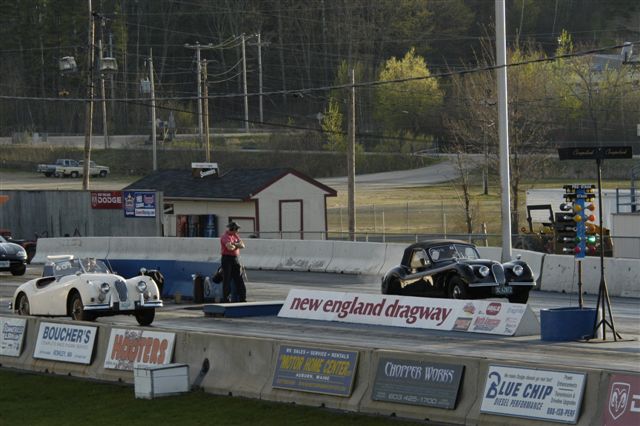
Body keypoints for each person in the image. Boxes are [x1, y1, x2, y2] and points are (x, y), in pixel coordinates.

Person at [220, 221, 246, 302]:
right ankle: (226, 299)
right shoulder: (225, 237)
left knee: (239, 279)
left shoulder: (235, 236)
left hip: (235, 258)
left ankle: (242, 298)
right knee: (227, 279)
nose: (238, 231)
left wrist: (234, 244)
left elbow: (243, 245)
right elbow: (229, 248)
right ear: (234, 229)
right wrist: (237, 245)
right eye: (237, 229)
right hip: (227, 259)